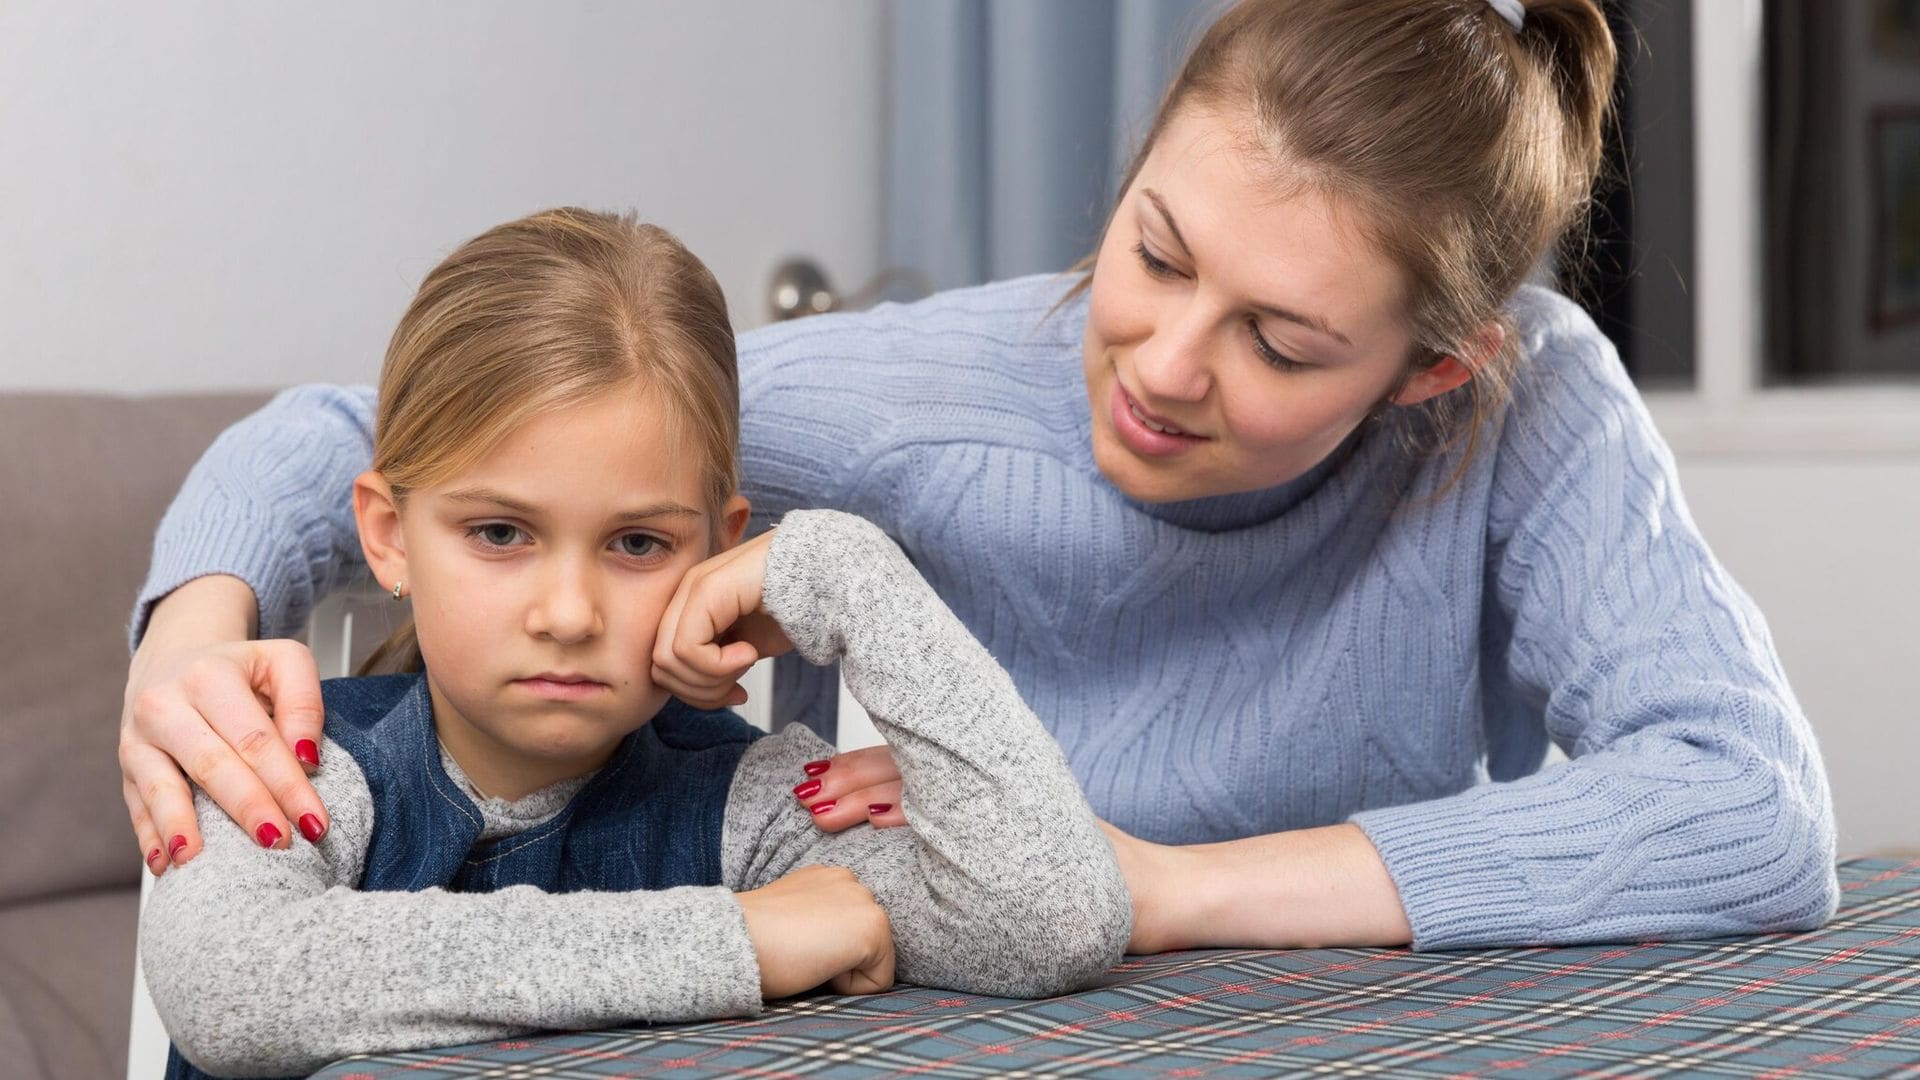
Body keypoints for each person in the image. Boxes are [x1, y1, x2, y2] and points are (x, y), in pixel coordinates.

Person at [123, 0, 1838, 958]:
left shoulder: (1533, 412)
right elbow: (350, 437)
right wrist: (187, 639)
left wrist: (1173, 889)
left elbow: (1750, 810)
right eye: (1153, 252)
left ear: (1433, 369)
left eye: (1281, 344)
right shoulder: (926, 395)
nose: (1163, 364)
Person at [138, 209, 1130, 1080]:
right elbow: (231, 988)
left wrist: (844, 572)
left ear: (721, 551)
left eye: (638, 544)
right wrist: (736, 939)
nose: (569, 613)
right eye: (499, 534)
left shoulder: (749, 805)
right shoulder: (286, 764)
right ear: (390, 537)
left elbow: (1053, 924)